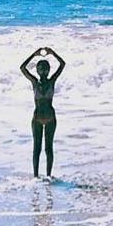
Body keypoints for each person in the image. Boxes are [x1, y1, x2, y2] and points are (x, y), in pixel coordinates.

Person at [20, 45, 65, 178]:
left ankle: (49, 176)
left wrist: (53, 53)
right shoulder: (34, 82)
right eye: (41, 68)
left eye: (45, 68)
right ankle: (35, 177)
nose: (43, 71)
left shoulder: (52, 81)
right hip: (37, 118)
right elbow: (22, 68)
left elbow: (62, 64)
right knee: (37, 149)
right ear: (37, 70)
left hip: (50, 118)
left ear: (48, 70)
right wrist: (34, 55)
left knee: (48, 149)